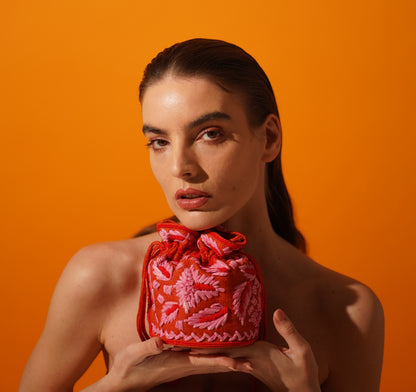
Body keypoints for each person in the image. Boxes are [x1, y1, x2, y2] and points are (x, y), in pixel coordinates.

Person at [19, 38, 384, 392]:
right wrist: (114, 387)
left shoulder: (347, 312)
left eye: (210, 134)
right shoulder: (100, 278)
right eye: (159, 141)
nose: (180, 167)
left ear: (269, 138)